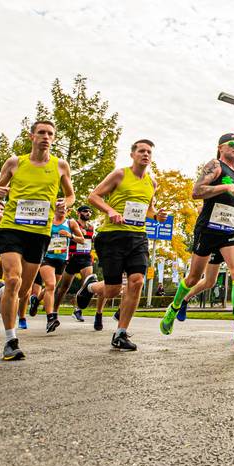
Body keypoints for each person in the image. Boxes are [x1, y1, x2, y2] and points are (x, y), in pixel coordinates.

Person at [159, 133, 234, 347]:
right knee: (194, 278)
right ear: (220, 147)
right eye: (232, 144)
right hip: (209, 228)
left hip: (230, 229)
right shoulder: (215, 166)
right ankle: (174, 308)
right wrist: (224, 187)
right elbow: (196, 192)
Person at [0, 120, 74, 361]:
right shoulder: (15, 162)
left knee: (24, 290)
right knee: (14, 280)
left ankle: (1, 292)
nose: (45, 137)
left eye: (50, 133)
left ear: (54, 138)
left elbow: (70, 195)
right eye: (41, 133)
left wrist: (64, 203)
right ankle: (10, 340)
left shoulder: (60, 165)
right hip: (12, 228)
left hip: (39, 232)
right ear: (31, 136)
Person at [75, 139, 165, 351]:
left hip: (138, 237)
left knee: (136, 281)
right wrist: (110, 211)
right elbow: (94, 195)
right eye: (141, 151)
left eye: (149, 152)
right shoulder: (120, 174)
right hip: (112, 236)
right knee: (113, 290)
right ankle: (90, 286)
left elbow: (148, 210)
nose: (146, 154)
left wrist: (157, 215)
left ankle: (121, 333)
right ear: (132, 154)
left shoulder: (151, 183)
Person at [34, 202, 71, 334]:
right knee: (50, 285)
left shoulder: (70, 223)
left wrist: (70, 236)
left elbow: (82, 240)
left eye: (64, 208)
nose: (62, 210)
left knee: (52, 287)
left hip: (61, 259)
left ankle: (36, 300)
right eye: (59, 208)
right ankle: (51, 318)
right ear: (54, 210)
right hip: (46, 258)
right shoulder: (47, 222)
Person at [62, 205, 97, 322]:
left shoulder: (91, 227)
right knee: (64, 287)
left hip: (86, 257)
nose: (88, 213)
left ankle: (78, 310)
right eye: (85, 211)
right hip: (72, 257)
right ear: (79, 213)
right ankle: (52, 309)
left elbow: (90, 241)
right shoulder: (72, 224)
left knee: (86, 283)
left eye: (90, 211)